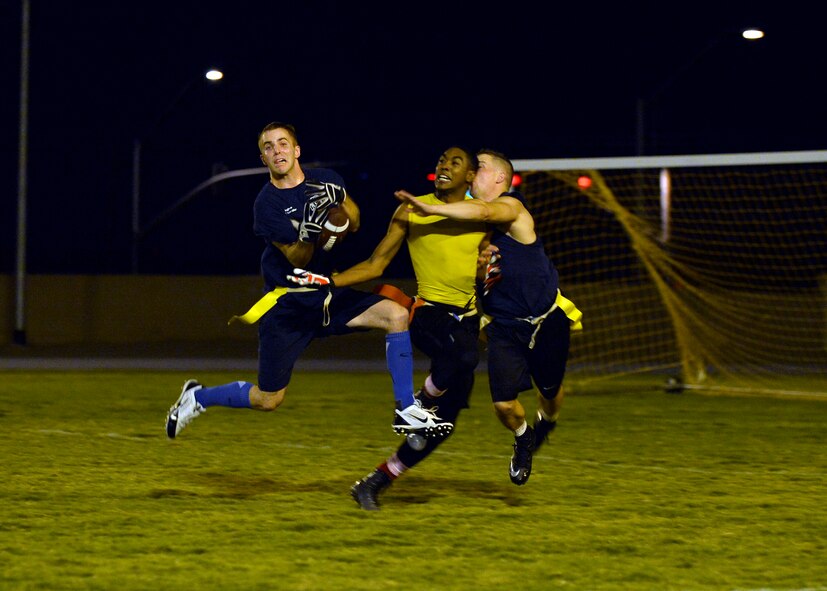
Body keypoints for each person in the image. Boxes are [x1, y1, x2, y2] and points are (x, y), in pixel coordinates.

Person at [165, 121, 453, 441]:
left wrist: (338, 205)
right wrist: (311, 227)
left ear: (296, 150)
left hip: (327, 294)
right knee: (269, 398)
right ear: (263, 159)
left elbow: (354, 221)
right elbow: (298, 258)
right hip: (289, 307)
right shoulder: (266, 205)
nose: (277, 151)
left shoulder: (326, 180)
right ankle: (198, 397)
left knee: (395, 314)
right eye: (268, 147)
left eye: (283, 143)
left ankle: (405, 409)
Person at [289, 146, 488, 510]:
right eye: (441, 159)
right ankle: (419, 403)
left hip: (468, 321)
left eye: (454, 162)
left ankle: (374, 482)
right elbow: (376, 263)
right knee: (463, 354)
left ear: (471, 177)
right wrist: (327, 280)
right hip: (429, 314)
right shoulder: (412, 208)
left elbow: (487, 262)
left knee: (443, 425)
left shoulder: (482, 213)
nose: (444, 165)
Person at [397, 149, 582, 485]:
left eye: (478, 167)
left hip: (546, 320)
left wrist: (431, 207)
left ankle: (547, 422)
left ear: (499, 177)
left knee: (550, 391)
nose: (471, 173)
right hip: (505, 329)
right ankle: (524, 437)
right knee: (503, 406)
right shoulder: (476, 229)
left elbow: (484, 208)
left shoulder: (512, 206)